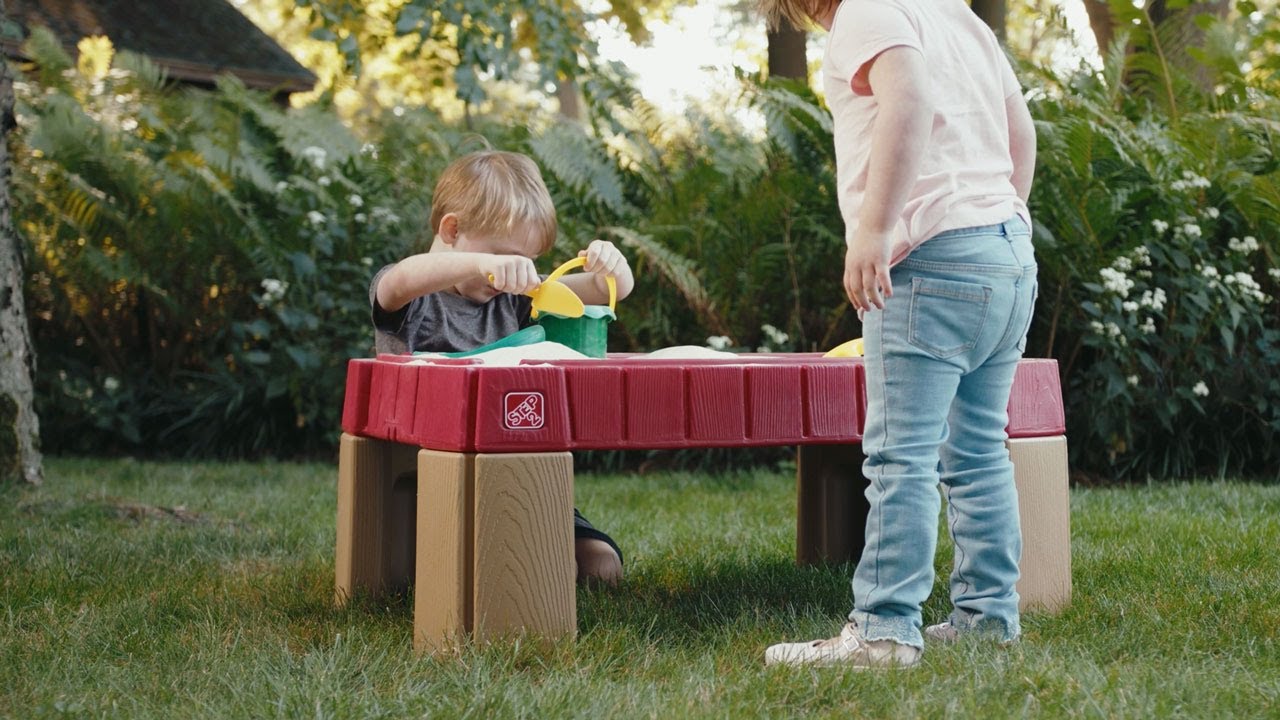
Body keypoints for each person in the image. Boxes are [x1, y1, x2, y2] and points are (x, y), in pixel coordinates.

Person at [757, 0, 1039, 667]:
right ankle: (989, 617)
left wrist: (876, 230)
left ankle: (884, 632)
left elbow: (908, 100)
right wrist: (1001, 221)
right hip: (1006, 256)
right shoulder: (958, 17)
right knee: (977, 453)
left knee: (900, 458)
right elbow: (1019, 130)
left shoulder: (865, 12)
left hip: (930, 264)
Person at [369, 149, 636, 585]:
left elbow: (598, 290)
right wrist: (481, 265)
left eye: (526, 260)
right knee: (536, 571)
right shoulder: (414, 298)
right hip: (436, 487)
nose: (519, 272)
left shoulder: (512, 298)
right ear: (452, 230)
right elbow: (398, 280)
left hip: (521, 480)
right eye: (507, 257)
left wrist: (614, 271)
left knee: (602, 566)